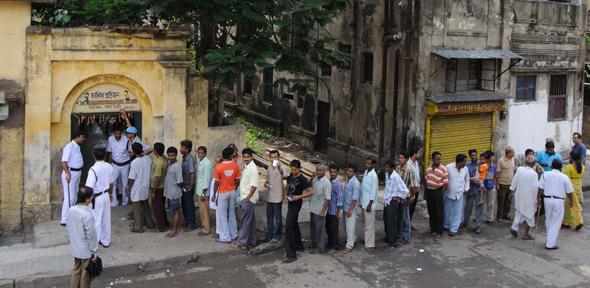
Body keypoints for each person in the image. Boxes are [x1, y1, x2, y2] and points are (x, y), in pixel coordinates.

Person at [538, 159, 574, 250]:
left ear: (551, 166)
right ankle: (550, 243)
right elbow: (569, 192)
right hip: (558, 201)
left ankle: (549, 239)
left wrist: (538, 199)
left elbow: (540, 188)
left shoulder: (545, 174)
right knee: (556, 221)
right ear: (561, 167)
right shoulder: (564, 177)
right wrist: (571, 202)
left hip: (547, 199)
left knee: (549, 220)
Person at [67, 188, 98, 288]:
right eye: (91, 196)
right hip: (85, 250)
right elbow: (91, 235)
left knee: (76, 270)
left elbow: (69, 227)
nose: (92, 197)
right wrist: (94, 252)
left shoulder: (71, 210)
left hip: (75, 247)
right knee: (85, 274)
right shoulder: (87, 215)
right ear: (87, 199)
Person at [283, 160, 313, 263]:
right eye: (292, 169)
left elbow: (311, 192)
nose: (293, 171)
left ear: (299, 168)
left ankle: (291, 254)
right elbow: (287, 186)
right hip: (290, 203)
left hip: (296, 204)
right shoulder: (291, 175)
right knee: (294, 225)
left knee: (289, 227)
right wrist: (285, 195)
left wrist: (298, 196)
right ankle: (299, 245)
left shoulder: (302, 179)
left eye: (295, 169)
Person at [85, 145, 113, 248]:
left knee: (96, 220)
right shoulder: (109, 167)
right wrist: (110, 193)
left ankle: (94, 243)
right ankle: (105, 240)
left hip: (96, 197)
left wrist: (86, 200)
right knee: (106, 219)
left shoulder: (93, 169)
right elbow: (111, 182)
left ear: (94, 155)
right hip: (106, 194)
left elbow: (89, 187)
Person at [212, 147, 241, 243]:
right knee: (232, 213)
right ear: (230, 156)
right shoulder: (235, 165)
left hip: (223, 193)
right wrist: (234, 188)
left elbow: (216, 182)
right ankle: (234, 234)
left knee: (222, 215)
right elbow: (238, 180)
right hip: (232, 192)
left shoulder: (218, 167)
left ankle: (224, 237)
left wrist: (214, 194)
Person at [509, 156, 539, 240]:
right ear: (533, 164)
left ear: (525, 163)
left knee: (519, 212)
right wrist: (537, 199)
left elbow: (514, 180)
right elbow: (535, 188)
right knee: (529, 215)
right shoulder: (534, 174)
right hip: (529, 198)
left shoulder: (520, 169)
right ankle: (526, 233)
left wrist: (511, 191)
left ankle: (514, 228)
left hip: (519, 196)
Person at [126, 143, 154, 233]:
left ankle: (138, 226)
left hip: (137, 187)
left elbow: (131, 178)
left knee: (137, 208)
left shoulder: (134, 162)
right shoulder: (148, 159)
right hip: (145, 185)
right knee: (146, 206)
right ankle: (150, 224)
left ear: (134, 152)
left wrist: (129, 188)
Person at [61, 130, 87, 226]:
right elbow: (63, 162)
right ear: (77, 136)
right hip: (70, 173)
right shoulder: (69, 147)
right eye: (82, 137)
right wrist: (68, 174)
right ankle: (64, 219)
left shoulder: (77, 147)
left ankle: (71, 216)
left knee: (74, 195)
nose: (83, 139)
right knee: (69, 197)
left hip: (77, 173)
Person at [236, 148, 259, 250]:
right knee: (250, 221)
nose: (246, 159)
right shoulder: (247, 166)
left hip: (248, 199)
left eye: (248, 157)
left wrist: (247, 199)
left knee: (245, 221)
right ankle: (252, 241)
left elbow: (254, 186)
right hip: (246, 197)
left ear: (251, 157)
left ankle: (243, 243)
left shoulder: (253, 169)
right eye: (244, 157)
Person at [383, 160, 409, 251]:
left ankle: (392, 242)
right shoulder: (387, 175)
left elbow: (405, 191)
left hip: (392, 202)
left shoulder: (396, 177)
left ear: (392, 168)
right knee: (386, 220)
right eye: (385, 167)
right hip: (387, 201)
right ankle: (388, 237)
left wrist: (398, 197)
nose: (386, 169)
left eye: (387, 167)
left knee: (392, 223)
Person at [444, 154, 469, 237]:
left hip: (460, 194)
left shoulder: (465, 169)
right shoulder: (448, 167)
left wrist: (466, 188)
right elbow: (444, 178)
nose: (466, 163)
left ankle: (454, 229)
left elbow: (467, 180)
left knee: (458, 212)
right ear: (460, 162)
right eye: (464, 161)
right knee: (446, 211)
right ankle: (446, 226)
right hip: (449, 194)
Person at [308, 164, 332, 254]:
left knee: (320, 230)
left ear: (324, 171)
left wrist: (322, 211)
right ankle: (314, 243)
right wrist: (311, 177)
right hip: (313, 207)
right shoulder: (315, 178)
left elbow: (327, 199)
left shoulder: (326, 182)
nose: (318, 172)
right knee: (313, 228)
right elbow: (309, 185)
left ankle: (320, 248)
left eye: (320, 170)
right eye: (317, 170)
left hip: (320, 210)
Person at [425, 152, 448, 240]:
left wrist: (441, 194)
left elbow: (445, 183)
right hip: (429, 191)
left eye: (440, 159)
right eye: (437, 158)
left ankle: (439, 231)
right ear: (433, 159)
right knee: (431, 211)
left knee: (439, 213)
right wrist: (425, 194)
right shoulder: (429, 169)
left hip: (438, 192)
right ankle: (433, 229)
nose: (439, 160)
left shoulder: (443, 169)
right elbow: (426, 181)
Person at [395, 152, 417, 243]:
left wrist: (411, 198)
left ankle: (406, 237)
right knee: (399, 217)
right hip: (399, 197)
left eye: (401, 158)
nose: (399, 159)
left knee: (405, 218)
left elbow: (413, 186)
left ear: (406, 159)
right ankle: (400, 235)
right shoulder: (398, 168)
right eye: (399, 158)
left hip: (406, 197)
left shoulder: (409, 170)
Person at [107, 125, 131, 207]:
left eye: (119, 133)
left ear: (121, 133)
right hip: (114, 164)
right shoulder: (110, 139)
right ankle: (114, 202)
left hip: (125, 164)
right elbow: (110, 152)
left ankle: (125, 202)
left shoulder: (126, 139)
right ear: (113, 133)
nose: (117, 135)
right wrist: (109, 164)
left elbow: (130, 152)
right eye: (116, 133)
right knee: (113, 183)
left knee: (125, 184)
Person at [265, 150, 286, 243]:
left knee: (277, 217)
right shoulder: (269, 167)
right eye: (272, 157)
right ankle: (269, 234)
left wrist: (279, 168)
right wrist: (266, 183)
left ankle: (277, 235)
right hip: (270, 195)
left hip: (278, 195)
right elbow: (267, 178)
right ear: (269, 158)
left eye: (275, 157)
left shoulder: (282, 167)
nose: (274, 159)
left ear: (278, 158)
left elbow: (284, 176)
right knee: (269, 216)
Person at [562, 151, 584, 231]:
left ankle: (578, 221)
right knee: (572, 205)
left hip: (571, 187)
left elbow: (565, 178)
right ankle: (566, 222)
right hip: (578, 186)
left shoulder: (569, 167)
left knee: (571, 205)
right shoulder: (582, 166)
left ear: (571, 157)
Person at [164, 147, 184, 238]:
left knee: (175, 211)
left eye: (173, 155)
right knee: (172, 211)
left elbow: (179, 181)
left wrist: (182, 189)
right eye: (170, 155)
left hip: (174, 193)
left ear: (176, 155)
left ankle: (174, 230)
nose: (171, 157)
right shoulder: (169, 164)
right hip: (169, 192)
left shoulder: (177, 166)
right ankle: (175, 227)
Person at [463, 149, 484, 234]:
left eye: (475, 155)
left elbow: (484, 175)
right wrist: (472, 180)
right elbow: (465, 177)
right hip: (470, 190)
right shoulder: (467, 166)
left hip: (479, 190)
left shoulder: (481, 164)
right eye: (472, 155)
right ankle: (465, 223)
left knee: (479, 208)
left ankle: (478, 226)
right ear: (470, 156)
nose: (474, 157)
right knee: (468, 207)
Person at [195, 146, 214, 236]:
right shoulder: (201, 162)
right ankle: (204, 226)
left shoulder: (207, 163)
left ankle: (206, 228)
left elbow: (206, 179)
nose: (200, 155)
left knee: (204, 211)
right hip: (199, 190)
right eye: (198, 153)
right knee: (202, 210)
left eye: (201, 153)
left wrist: (203, 193)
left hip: (204, 192)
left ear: (205, 153)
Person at [342, 164, 360, 254]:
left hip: (351, 209)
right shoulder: (347, 180)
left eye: (351, 171)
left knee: (350, 227)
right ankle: (353, 238)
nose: (348, 172)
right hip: (345, 207)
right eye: (348, 171)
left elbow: (354, 198)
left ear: (354, 173)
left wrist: (350, 209)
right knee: (345, 225)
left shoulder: (355, 183)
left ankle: (349, 245)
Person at [360, 158, 378, 251]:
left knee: (369, 225)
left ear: (373, 165)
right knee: (365, 223)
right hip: (364, 202)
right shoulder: (366, 172)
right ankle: (366, 240)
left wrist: (370, 204)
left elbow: (373, 191)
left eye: (369, 164)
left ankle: (370, 245)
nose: (367, 165)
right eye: (366, 163)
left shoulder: (374, 175)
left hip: (369, 204)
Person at [326, 164, 343, 253]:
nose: (332, 174)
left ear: (337, 173)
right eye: (331, 172)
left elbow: (340, 199)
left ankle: (335, 246)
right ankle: (330, 243)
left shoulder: (338, 185)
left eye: (334, 172)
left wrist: (339, 212)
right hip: (328, 210)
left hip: (334, 211)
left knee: (333, 229)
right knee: (328, 228)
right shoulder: (329, 181)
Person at [180, 140, 197, 231]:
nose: (180, 149)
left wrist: (191, 186)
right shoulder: (184, 157)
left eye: (182, 148)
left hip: (188, 186)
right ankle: (187, 221)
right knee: (184, 204)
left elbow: (192, 174)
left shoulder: (190, 159)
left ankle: (191, 224)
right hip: (184, 185)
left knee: (189, 205)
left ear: (187, 149)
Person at [150, 143, 168, 232]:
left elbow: (157, 177)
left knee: (157, 207)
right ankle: (164, 223)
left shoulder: (159, 162)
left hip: (158, 187)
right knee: (161, 206)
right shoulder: (163, 159)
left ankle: (161, 226)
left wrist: (153, 191)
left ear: (156, 151)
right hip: (163, 185)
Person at [496, 147, 516, 221]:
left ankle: (506, 214)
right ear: (508, 153)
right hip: (502, 183)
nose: (514, 153)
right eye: (512, 152)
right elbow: (498, 173)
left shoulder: (513, 159)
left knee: (509, 200)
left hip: (510, 183)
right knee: (501, 200)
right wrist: (497, 184)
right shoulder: (501, 161)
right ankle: (499, 216)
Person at [482, 151, 497, 225]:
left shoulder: (493, 166)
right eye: (493, 156)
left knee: (491, 203)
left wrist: (494, 184)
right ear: (489, 158)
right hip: (482, 187)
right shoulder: (483, 166)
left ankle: (490, 219)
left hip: (491, 186)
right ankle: (479, 217)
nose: (494, 158)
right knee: (481, 203)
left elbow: (494, 176)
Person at [407, 148, 422, 227]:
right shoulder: (408, 164)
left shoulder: (416, 163)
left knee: (412, 208)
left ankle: (409, 222)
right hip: (411, 189)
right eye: (419, 153)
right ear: (414, 154)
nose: (420, 155)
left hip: (417, 189)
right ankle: (406, 224)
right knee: (408, 208)